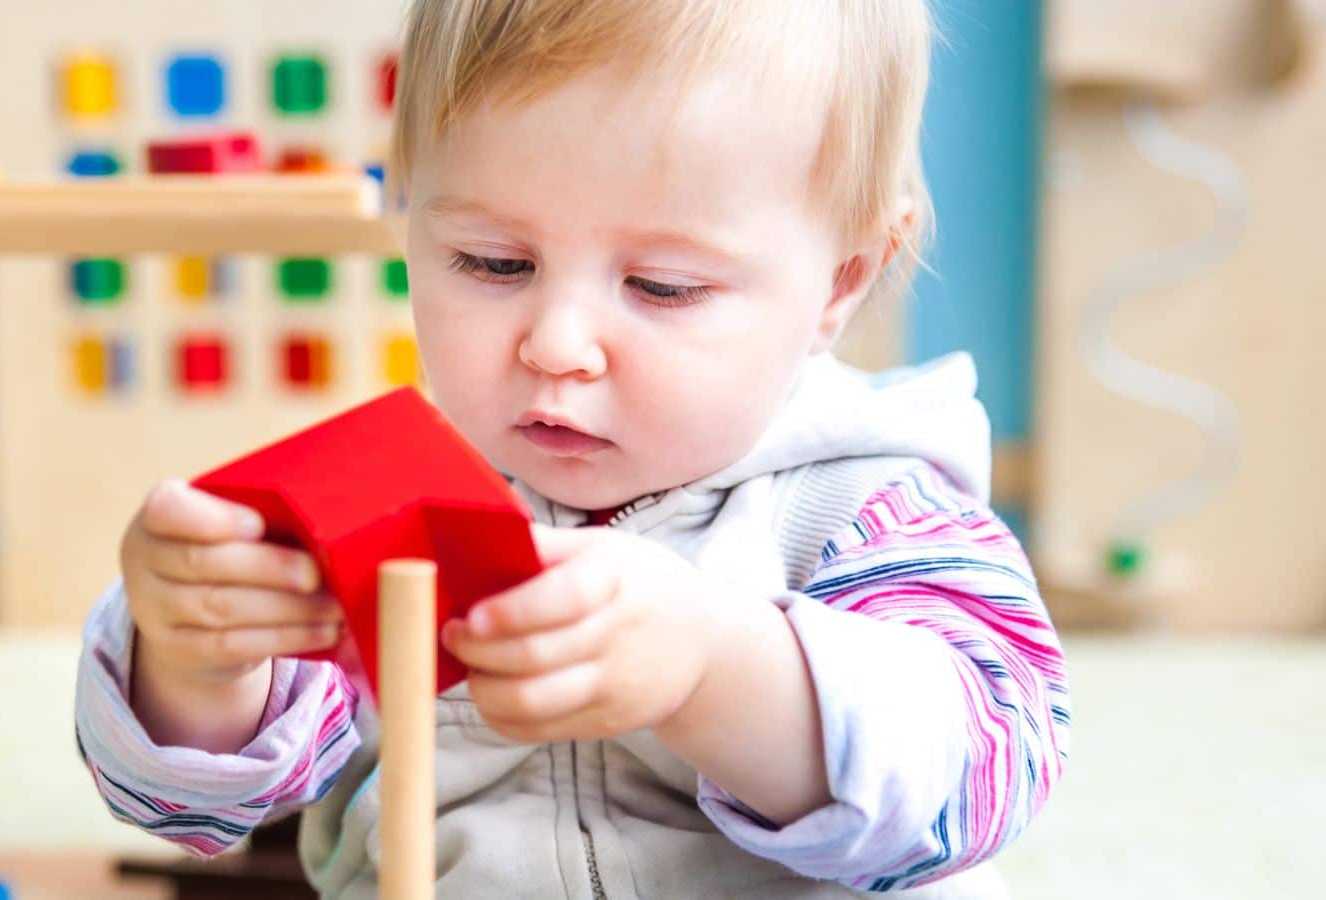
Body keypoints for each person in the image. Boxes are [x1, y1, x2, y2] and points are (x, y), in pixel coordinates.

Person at [76, 2, 1070, 896]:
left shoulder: (870, 502)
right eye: (492, 262)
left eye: (663, 286)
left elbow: (979, 778)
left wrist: (715, 665)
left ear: (842, 281)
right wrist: (192, 662)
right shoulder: (391, 491)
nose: (555, 345)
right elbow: (192, 811)